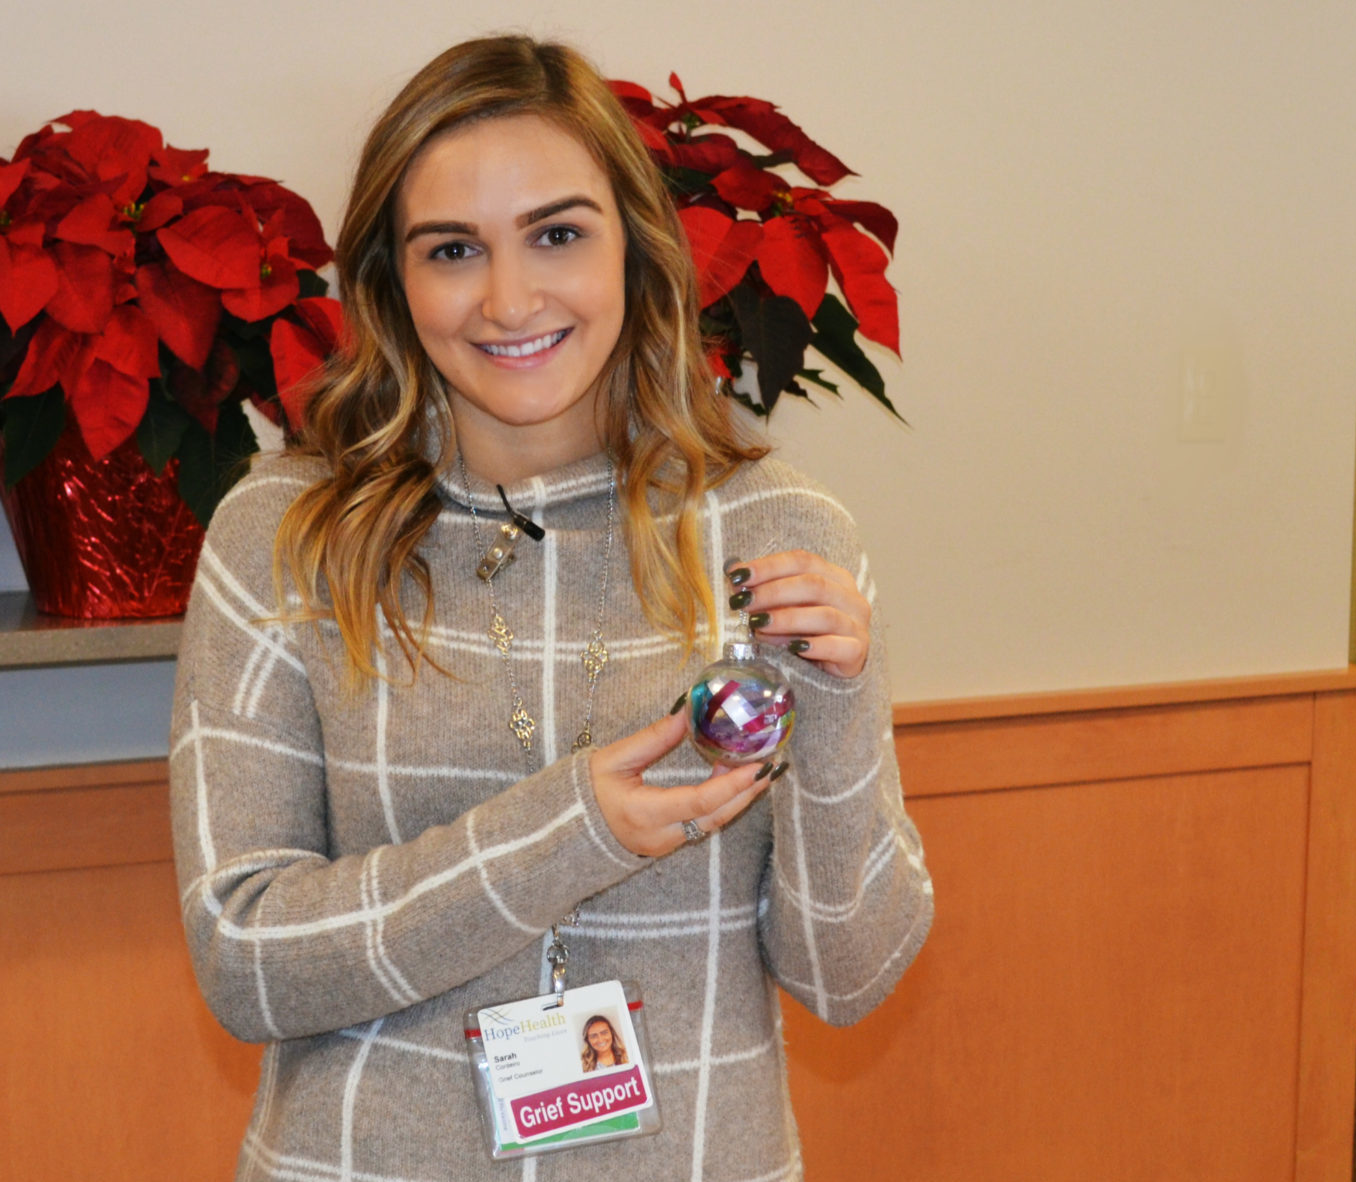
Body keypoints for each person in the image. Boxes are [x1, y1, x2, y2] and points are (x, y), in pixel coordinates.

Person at [170, 34, 933, 1182]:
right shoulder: (280, 531)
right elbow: (245, 962)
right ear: (390, 279)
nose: (508, 298)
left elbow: (847, 976)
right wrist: (566, 833)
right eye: (451, 250)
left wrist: (839, 709)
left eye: (558, 234)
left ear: (633, 248)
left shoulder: (779, 534)